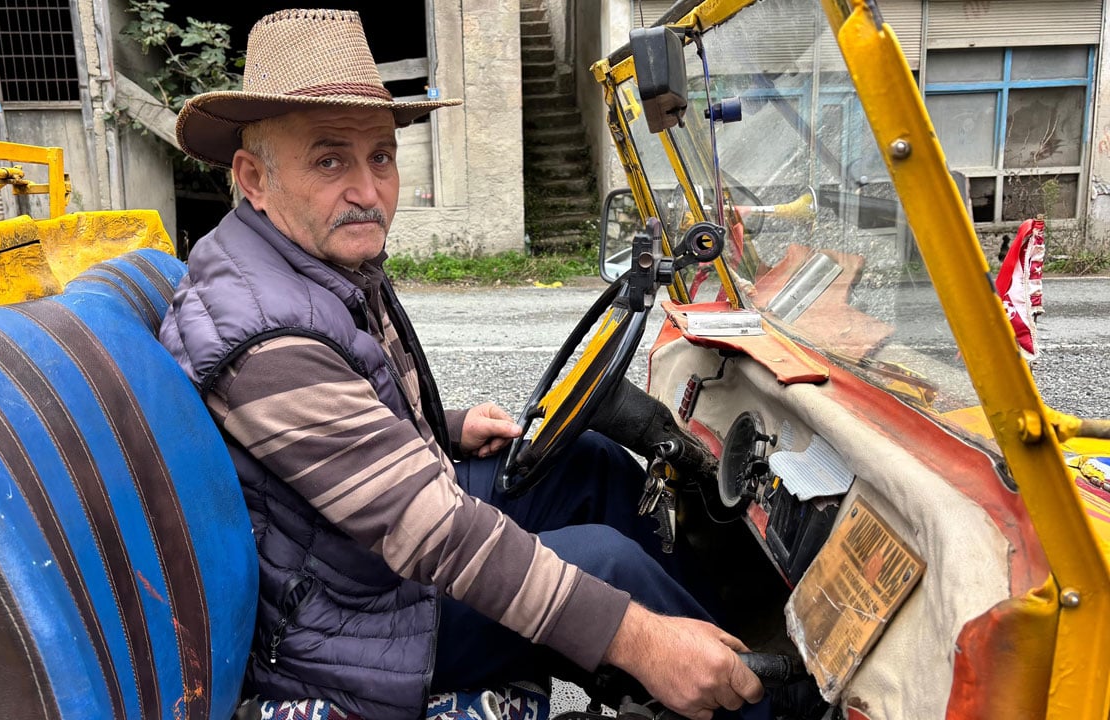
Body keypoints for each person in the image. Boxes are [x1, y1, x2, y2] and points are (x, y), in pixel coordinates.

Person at [160, 9, 765, 720]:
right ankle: (748, 698)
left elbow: (331, 429)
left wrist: (444, 427)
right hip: (346, 626)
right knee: (609, 566)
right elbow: (430, 530)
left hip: (345, 557)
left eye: (381, 157)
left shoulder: (302, 261)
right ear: (254, 178)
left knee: (590, 466)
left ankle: (723, 639)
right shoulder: (266, 336)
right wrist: (641, 639)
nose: (368, 191)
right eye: (329, 161)